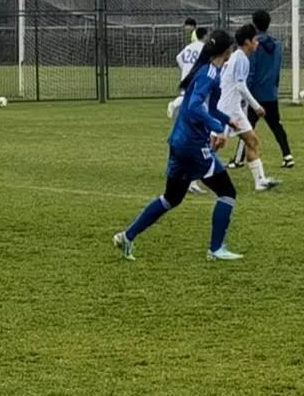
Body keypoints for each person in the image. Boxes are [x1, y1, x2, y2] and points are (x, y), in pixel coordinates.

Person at [113, 29, 245, 262]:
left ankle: (127, 236)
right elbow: (193, 107)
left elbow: (209, 108)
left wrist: (227, 120)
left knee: (172, 197)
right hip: (193, 145)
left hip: (179, 142)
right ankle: (216, 249)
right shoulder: (208, 74)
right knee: (227, 192)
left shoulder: (209, 71)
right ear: (226, 50)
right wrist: (216, 128)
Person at [230, 10, 294, 169]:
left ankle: (238, 159)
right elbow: (277, 70)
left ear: (254, 24)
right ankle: (287, 156)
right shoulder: (277, 45)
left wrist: (245, 93)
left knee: (246, 126)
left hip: (255, 94)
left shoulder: (253, 45)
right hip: (270, 93)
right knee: (276, 125)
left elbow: (250, 70)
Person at [219, 23, 279, 191]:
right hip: (226, 109)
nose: (257, 43)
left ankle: (260, 181)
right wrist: (256, 106)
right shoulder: (241, 59)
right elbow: (240, 86)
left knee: (251, 141)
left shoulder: (237, 57)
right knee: (213, 146)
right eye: (255, 40)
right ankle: (190, 180)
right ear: (247, 42)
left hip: (235, 109)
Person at [168, 26, 209, 195]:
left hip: (187, 82)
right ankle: (192, 179)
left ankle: (185, 175)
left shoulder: (188, 47)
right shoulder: (204, 49)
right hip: (196, 88)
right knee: (196, 136)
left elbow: (179, 58)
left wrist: (185, 68)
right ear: (204, 36)